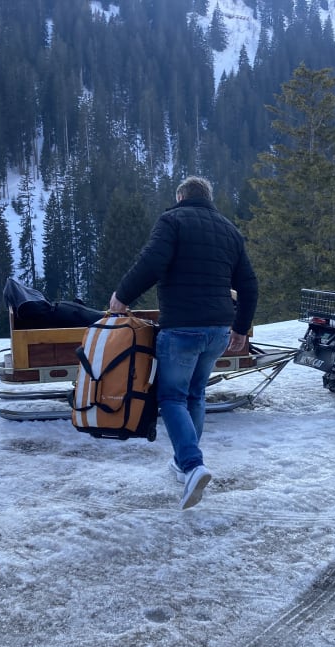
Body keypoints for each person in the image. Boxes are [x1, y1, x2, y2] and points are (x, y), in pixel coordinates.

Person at [109, 176, 258, 510]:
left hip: (182, 329)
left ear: (180, 196)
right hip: (217, 331)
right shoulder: (229, 230)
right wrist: (241, 327)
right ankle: (183, 463)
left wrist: (122, 296)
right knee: (195, 394)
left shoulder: (172, 220)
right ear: (208, 197)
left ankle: (192, 465)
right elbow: (249, 284)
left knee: (173, 396)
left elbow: (152, 262)